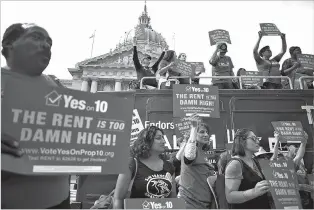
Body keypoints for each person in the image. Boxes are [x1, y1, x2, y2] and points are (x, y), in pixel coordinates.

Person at [1, 23, 70, 209]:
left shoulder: (54, 86)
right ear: (9, 44)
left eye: (49, 42)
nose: (46, 45)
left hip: (59, 200)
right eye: (37, 38)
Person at [113, 126, 176, 209]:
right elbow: (118, 199)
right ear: (146, 141)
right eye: (158, 138)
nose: (163, 141)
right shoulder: (132, 164)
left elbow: (173, 201)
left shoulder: (169, 166)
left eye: (163, 138)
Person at [225, 128, 272, 209]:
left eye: (257, 139)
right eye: (253, 139)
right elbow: (230, 197)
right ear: (242, 141)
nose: (257, 142)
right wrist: (254, 192)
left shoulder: (255, 161)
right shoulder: (235, 164)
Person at [178, 114, 216, 209]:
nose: (206, 135)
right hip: (189, 203)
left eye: (207, 132)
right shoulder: (191, 150)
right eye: (202, 132)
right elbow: (189, 156)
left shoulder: (202, 152)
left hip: (203, 204)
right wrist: (194, 128)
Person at [272, 131, 312, 209]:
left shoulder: (290, 165)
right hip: (281, 202)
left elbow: (299, 156)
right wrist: (276, 140)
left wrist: (304, 142)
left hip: (297, 200)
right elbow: (274, 156)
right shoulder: (272, 168)